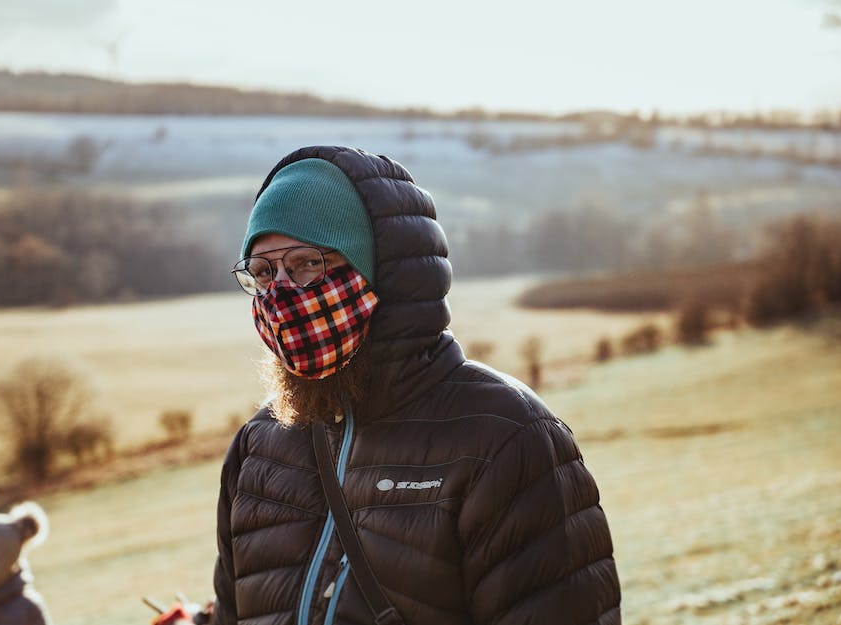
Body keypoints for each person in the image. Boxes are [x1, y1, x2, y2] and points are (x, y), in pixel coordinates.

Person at [210, 146, 621, 625]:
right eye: (263, 272)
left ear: (382, 272)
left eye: (306, 264)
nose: (280, 293)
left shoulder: (505, 437)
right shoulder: (260, 444)